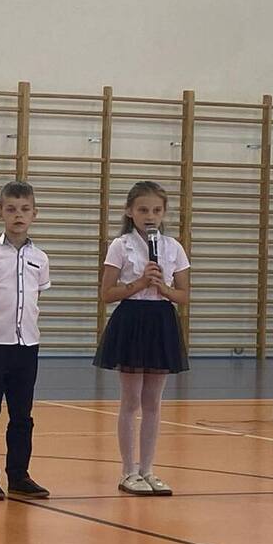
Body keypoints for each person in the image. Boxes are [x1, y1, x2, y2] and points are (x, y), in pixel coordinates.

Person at [94, 181, 190, 496]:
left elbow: (183, 295)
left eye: (156, 210)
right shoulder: (120, 245)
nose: (150, 216)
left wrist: (163, 288)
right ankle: (129, 470)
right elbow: (107, 293)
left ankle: (148, 469)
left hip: (161, 320)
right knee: (131, 400)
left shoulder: (173, 247)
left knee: (153, 402)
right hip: (132, 319)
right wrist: (139, 282)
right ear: (130, 211)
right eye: (143, 210)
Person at [0, 181, 51, 500]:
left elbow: (36, 296)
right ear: (0, 212)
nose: (18, 215)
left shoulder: (40, 258)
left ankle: (19, 474)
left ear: (34, 214)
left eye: (25, 209)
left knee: (22, 415)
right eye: (11, 209)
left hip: (26, 347)